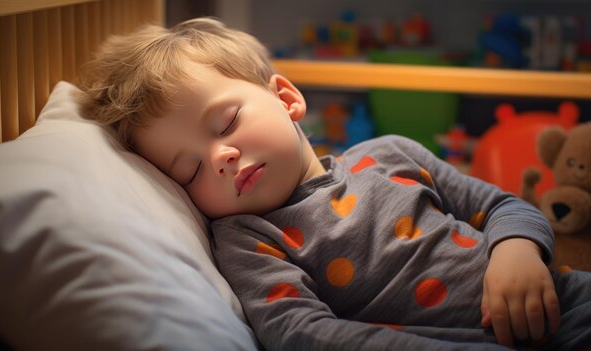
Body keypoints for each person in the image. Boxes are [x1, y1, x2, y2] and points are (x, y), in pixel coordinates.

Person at [76, 18, 591, 350]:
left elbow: (503, 205)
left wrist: (517, 254)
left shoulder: (391, 153)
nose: (220, 157)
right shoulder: (249, 238)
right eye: (188, 170)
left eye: (227, 122)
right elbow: (301, 333)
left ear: (285, 98)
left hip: (563, 302)